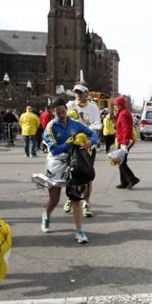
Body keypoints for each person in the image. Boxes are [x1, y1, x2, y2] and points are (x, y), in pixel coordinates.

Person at [40, 97, 97, 243]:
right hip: (56, 163)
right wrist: (69, 143)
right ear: (53, 112)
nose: (62, 115)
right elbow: (53, 149)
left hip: (73, 162)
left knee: (76, 198)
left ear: (66, 109)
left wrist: (90, 141)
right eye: (58, 113)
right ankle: (46, 215)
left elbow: (93, 134)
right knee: (55, 199)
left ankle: (79, 232)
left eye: (63, 112)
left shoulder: (75, 124)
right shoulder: (50, 127)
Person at [65, 82, 102, 217]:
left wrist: (89, 138)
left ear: (87, 93)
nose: (78, 95)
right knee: (71, 173)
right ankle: (70, 198)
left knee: (87, 176)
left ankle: (86, 203)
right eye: (76, 92)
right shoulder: (69, 106)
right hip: (72, 145)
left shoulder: (93, 107)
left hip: (87, 145)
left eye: (81, 92)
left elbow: (98, 125)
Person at [114, 96, 139, 189]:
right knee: (121, 161)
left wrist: (124, 143)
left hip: (124, 141)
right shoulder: (122, 113)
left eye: (116, 105)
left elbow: (127, 129)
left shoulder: (124, 114)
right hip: (123, 140)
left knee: (121, 162)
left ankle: (132, 179)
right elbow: (121, 126)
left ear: (120, 105)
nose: (115, 107)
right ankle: (124, 182)